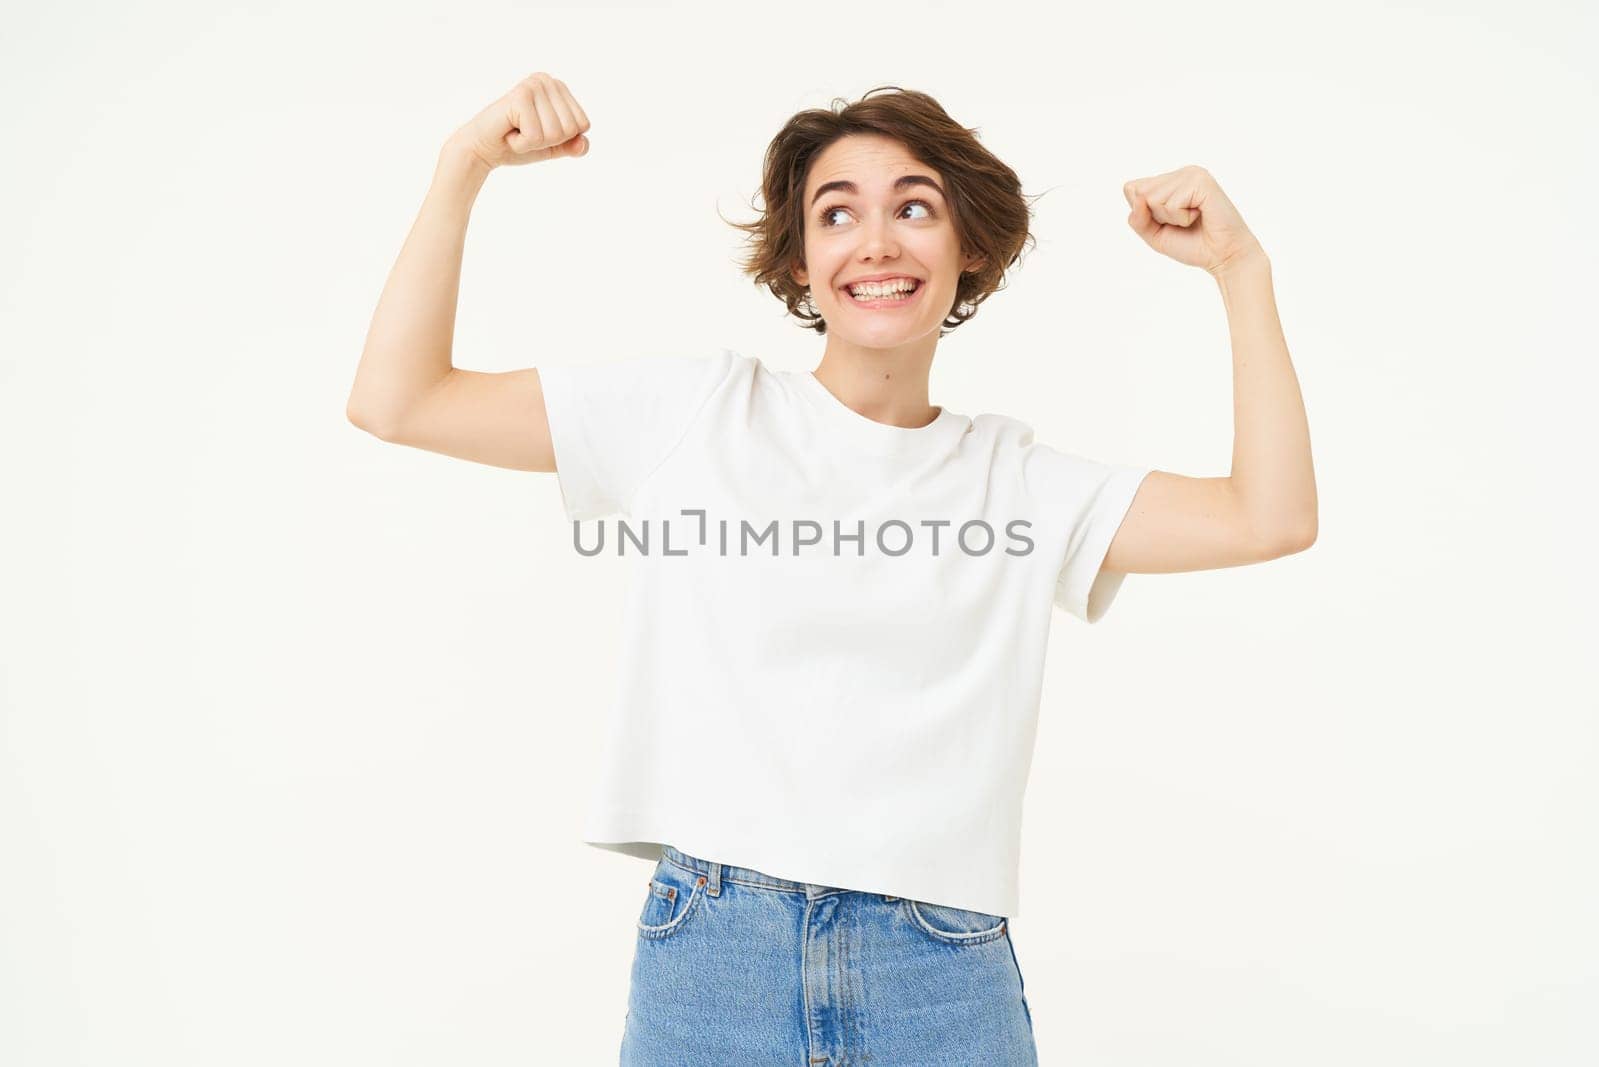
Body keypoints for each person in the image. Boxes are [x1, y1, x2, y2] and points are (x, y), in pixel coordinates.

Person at [346, 72, 1316, 1066]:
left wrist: (1240, 268)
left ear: (968, 248)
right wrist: (462, 165)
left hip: (937, 968)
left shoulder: (1017, 481)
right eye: (836, 213)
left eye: (914, 207)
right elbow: (398, 398)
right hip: (713, 957)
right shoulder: (693, 413)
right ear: (802, 265)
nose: (876, 240)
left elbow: (1268, 516)